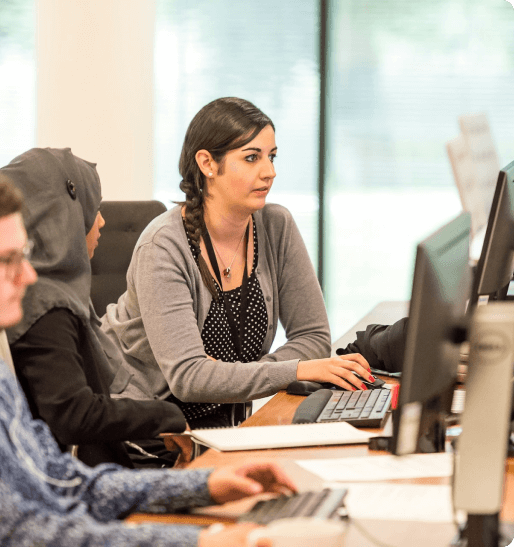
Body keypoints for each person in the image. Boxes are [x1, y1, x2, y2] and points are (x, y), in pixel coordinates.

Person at [0, 167, 295, 547]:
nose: (28, 275)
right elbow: (24, 533)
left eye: (24, 255)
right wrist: (200, 542)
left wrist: (205, 485)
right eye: (7, 259)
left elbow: (63, 480)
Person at [101, 97, 373, 429]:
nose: (269, 172)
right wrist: (296, 369)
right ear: (207, 163)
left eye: (272, 156)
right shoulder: (163, 246)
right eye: (251, 157)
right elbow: (189, 378)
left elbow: (313, 337)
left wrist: (230, 375)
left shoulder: (276, 226)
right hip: (149, 428)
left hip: (227, 423)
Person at [0, 147, 188, 469]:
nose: (101, 221)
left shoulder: (45, 294)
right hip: (78, 476)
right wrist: (167, 416)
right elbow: (73, 415)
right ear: (63, 216)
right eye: (93, 208)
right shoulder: (46, 307)